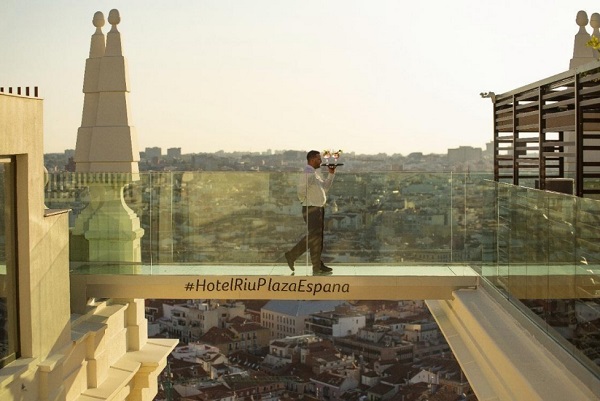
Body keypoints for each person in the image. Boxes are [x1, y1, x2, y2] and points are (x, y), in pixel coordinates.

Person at [285, 150, 336, 274]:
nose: (321, 161)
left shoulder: (314, 173)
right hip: (311, 208)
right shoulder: (308, 172)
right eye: (319, 159)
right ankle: (292, 255)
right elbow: (301, 190)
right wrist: (306, 201)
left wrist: (331, 174)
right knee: (314, 237)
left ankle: (317, 265)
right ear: (312, 159)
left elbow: (325, 188)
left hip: (317, 208)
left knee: (317, 238)